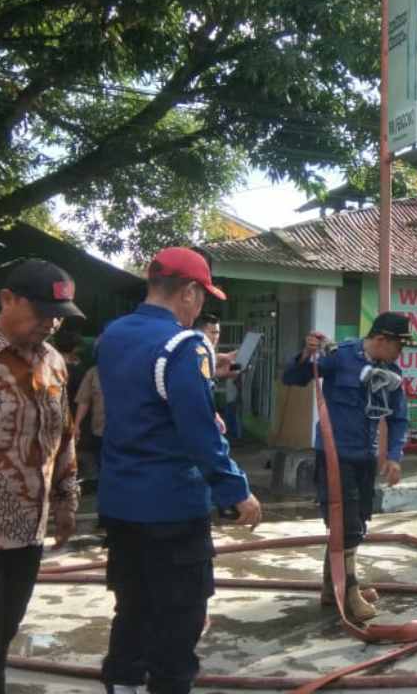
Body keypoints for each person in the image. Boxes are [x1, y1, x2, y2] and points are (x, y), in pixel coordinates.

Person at [95, 247, 261, 694]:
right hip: (171, 506)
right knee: (180, 617)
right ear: (188, 291)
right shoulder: (185, 346)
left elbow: (146, 395)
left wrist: (206, 369)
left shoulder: (113, 335)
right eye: (202, 296)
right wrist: (235, 490)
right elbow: (199, 431)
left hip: (120, 501)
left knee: (132, 606)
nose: (200, 306)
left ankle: (122, 684)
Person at [0, 259, 83, 693]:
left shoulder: (53, 362)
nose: (51, 324)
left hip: (27, 537)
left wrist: (66, 500)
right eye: (42, 313)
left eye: (59, 316)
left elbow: (64, 435)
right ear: (7, 300)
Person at [281, 312, 415, 623]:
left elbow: (399, 418)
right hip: (334, 454)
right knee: (347, 523)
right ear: (381, 340)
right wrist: (306, 354)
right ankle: (350, 590)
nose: (401, 353)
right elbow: (294, 377)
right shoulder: (339, 357)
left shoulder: (391, 372)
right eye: (399, 346)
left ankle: (332, 587)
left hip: (365, 457)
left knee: (357, 519)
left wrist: (393, 456)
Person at [75, 363, 107, 481]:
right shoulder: (93, 372)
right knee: (102, 467)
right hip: (100, 431)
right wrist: (77, 425)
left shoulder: (131, 368)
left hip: (125, 431)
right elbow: (84, 400)